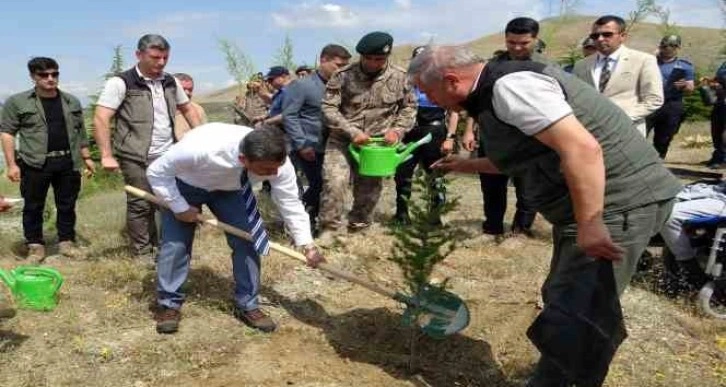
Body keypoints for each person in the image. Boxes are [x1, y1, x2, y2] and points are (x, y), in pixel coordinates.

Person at [410, 45, 681, 386]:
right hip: (598, 207)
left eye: (428, 91)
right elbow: (527, 152)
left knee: (579, 311)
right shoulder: (491, 93)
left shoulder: (512, 87)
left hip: (619, 203)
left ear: (451, 80)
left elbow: (582, 148)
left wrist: (591, 222)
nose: (431, 101)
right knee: (563, 294)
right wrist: (466, 165)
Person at [146, 123, 326, 334]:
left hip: (231, 190)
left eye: (277, 167)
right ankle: (169, 304)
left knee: (248, 240)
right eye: (267, 170)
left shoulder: (278, 163)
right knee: (175, 245)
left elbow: (289, 201)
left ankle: (248, 304)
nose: (274, 173)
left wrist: (307, 244)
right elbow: (156, 172)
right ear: (244, 160)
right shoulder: (198, 150)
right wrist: (179, 207)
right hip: (186, 184)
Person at [93, 34, 202, 262]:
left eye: (165, 58)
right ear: (139, 55)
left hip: (168, 154)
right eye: (155, 57)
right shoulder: (121, 82)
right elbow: (101, 118)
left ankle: (167, 249)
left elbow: (188, 108)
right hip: (135, 156)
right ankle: (142, 252)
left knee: (171, 201)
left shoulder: (171, 81)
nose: (161, 63)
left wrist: (202, 136)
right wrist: (106, 155)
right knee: (141, 204)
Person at [318, 31, 417, 241]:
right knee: (334, 183)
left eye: (379, 59)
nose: (373, 63)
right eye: (368, 58)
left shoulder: (400, 77)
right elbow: (328, 109)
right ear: (361, 56)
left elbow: (409, 108)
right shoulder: (343, 75)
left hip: (377, 145)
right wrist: (351, 131)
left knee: (369, 189)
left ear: (388, 56)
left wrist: (397, 131)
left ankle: (359, 227)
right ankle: (329, 230)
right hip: (343, 141)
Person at [0, 57, 96, 261]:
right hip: (35, 163)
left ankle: (66, 243)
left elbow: (80, 132)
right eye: (44, 75)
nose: (50, 78)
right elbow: (7, 133)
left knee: (67, 205)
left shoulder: (71, 101)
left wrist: (86, 157)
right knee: (34, 206)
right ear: (33, 77)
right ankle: (35, 246)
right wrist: (11, 164)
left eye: (54, 74)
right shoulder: (17, 102)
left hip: (68, 162)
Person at [481, 17, 544, 236]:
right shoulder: (491, 66)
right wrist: (471, 129)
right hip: (495, 137)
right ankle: (493, 226)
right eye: (511, 42)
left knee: (527, 189)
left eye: (524, 43)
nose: (517, 48)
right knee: (492, 186)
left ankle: (521, 229)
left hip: (530, 139)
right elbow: (479, 100)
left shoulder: (545, 68)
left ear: (535, 39)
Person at [281, 44, 352, 230]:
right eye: (338, 65)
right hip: (310, 145)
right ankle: (299, 220)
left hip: (336, 145)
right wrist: (301, 144)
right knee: (319, 184)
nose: (341, 69)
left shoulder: (342, 86)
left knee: (332, 185)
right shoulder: (302, 85)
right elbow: (290, 115)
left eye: (345, 65)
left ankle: (314, 220)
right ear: (323, 60)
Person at [393, 45, 458, 225]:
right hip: (408, 132)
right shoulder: (405, 82)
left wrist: (450, 138)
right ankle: (402, 214)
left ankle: (435, 216)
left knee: (435, 174)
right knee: (403, 174)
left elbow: (454, 112)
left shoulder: (442, 81)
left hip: (434, 131)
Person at [573, 15, 663, 137]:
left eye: (607, 34)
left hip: (627, 131)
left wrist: (619, 118)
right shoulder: (581, 65)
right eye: (595, 36)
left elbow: (654, 99)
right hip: (590, 133)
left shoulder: (643, 60)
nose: (600, 39)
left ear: (622, 36)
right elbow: (575, 99)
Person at [253, 66, 292, 130]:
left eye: (271, 80)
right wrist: (264, 117)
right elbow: (271, 100)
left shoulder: (293, 91)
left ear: (283, 76)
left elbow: (287, 115)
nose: (269, 83)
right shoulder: (280, 92)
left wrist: (265, 123)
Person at [703, 61, 726, 169]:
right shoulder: (724, 64)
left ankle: (723, 159)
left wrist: (719, 83)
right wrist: (712, 81)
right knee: (716, 130)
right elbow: (719, 77)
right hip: (720, 102)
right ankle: (718, 155)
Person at [173, 73, 208, 140]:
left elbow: (203, 134)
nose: (187, 93)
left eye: (190, 89)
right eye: (183, 89)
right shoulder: (160, 110)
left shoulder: (198, 110)